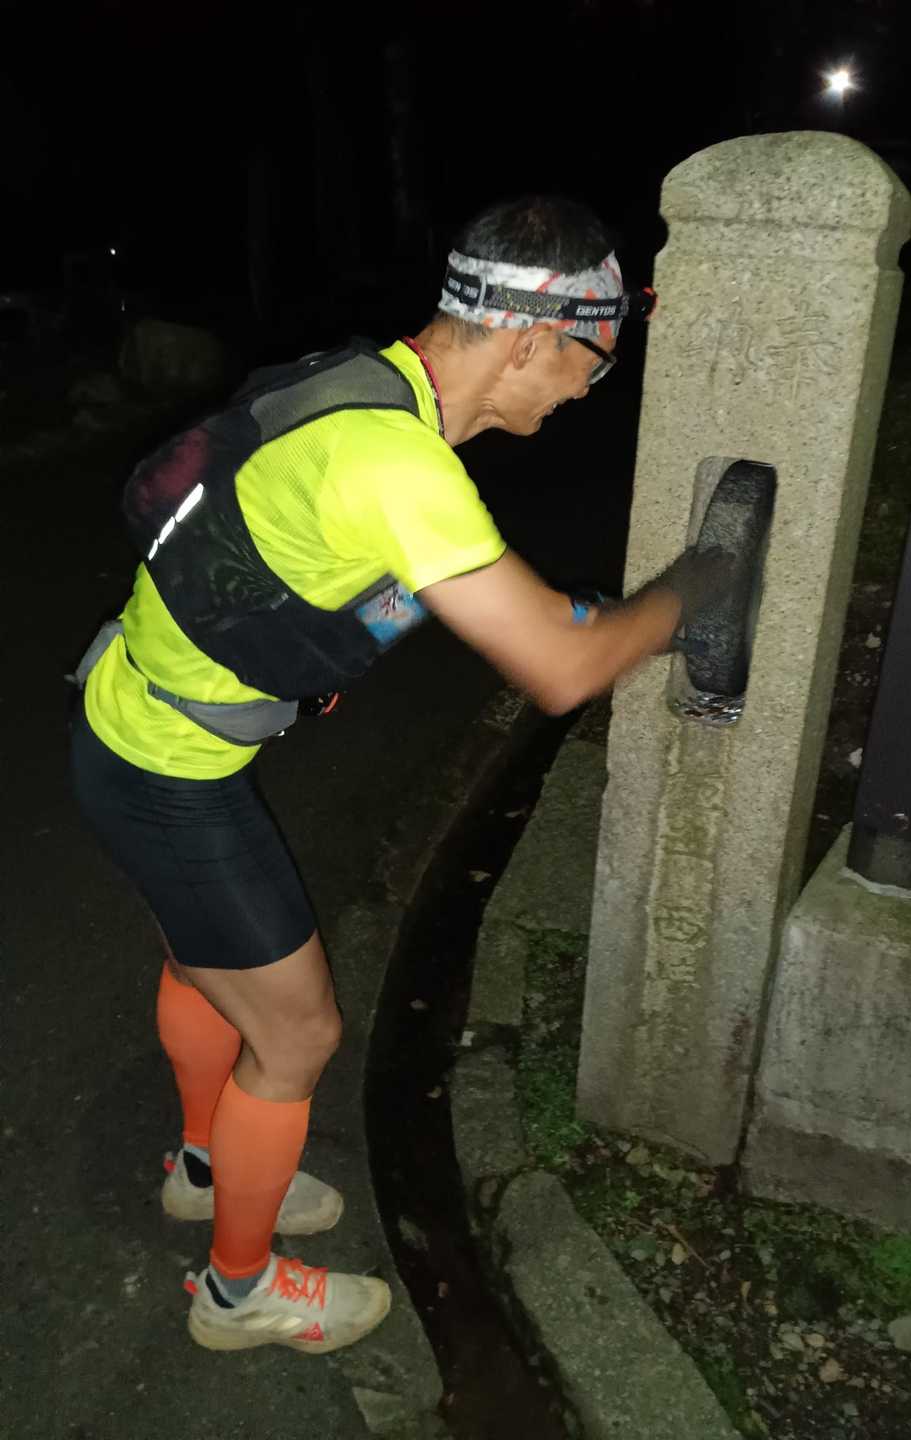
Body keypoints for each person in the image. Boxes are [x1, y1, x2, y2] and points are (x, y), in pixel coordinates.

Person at [69, 194, 730, 1356]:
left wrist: (575, 611)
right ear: (531, 340)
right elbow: (565, 670)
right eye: (590, 366)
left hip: (124, 723)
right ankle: (238, 1293)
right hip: (169, 778)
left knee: (201, 962)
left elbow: (466, 595)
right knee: (298, 1040)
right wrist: (697, 590)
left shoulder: (356, 382)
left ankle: (205, 1165)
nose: (584, 394)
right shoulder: (400, 465)